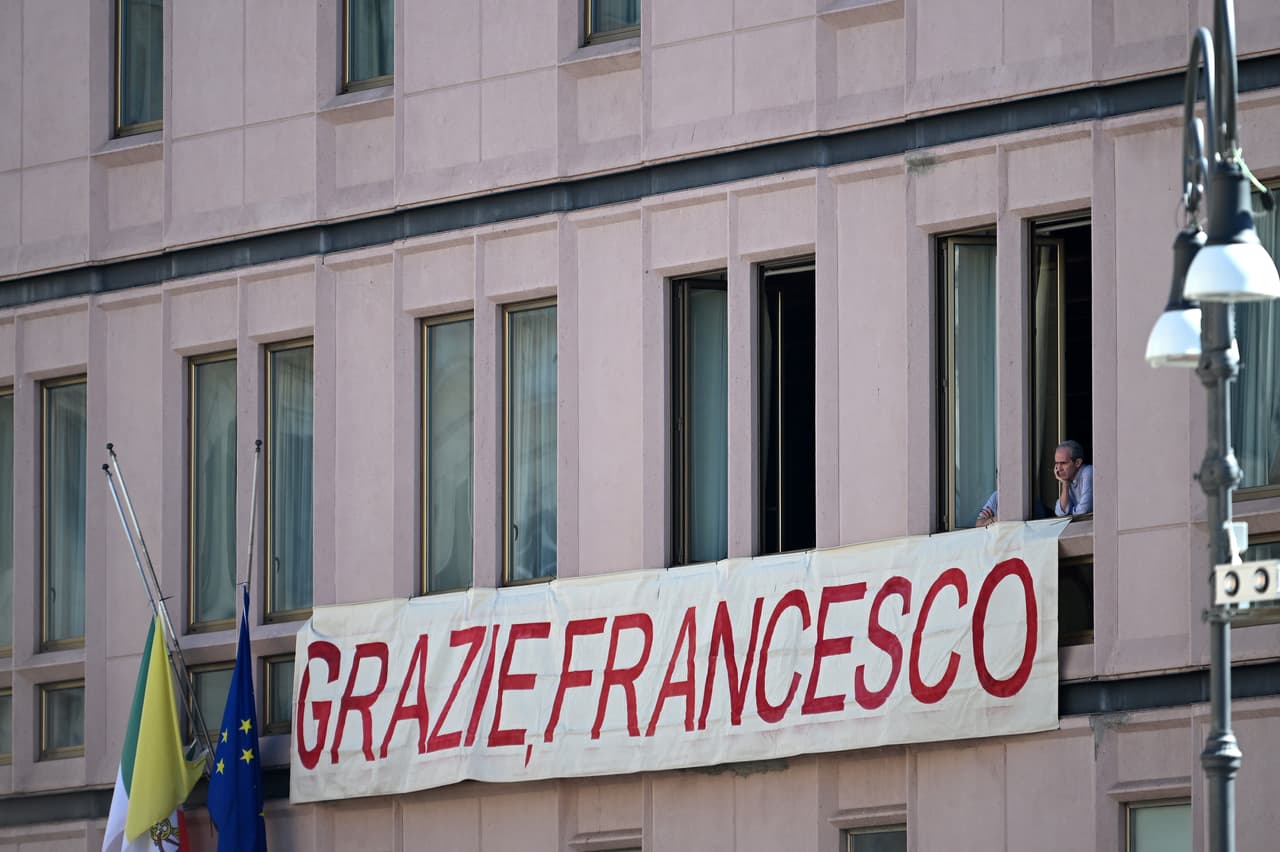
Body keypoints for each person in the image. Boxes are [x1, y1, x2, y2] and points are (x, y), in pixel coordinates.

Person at [1053, 439, 1093, 517]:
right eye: (1057, 463)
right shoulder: (1068, 479)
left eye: (1063, 463)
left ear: (1078, 463)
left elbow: (1083, 511)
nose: (1058, 468)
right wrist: (1065, 483)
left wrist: (1070, 513)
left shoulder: (1088, 472)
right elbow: (1061, 513)